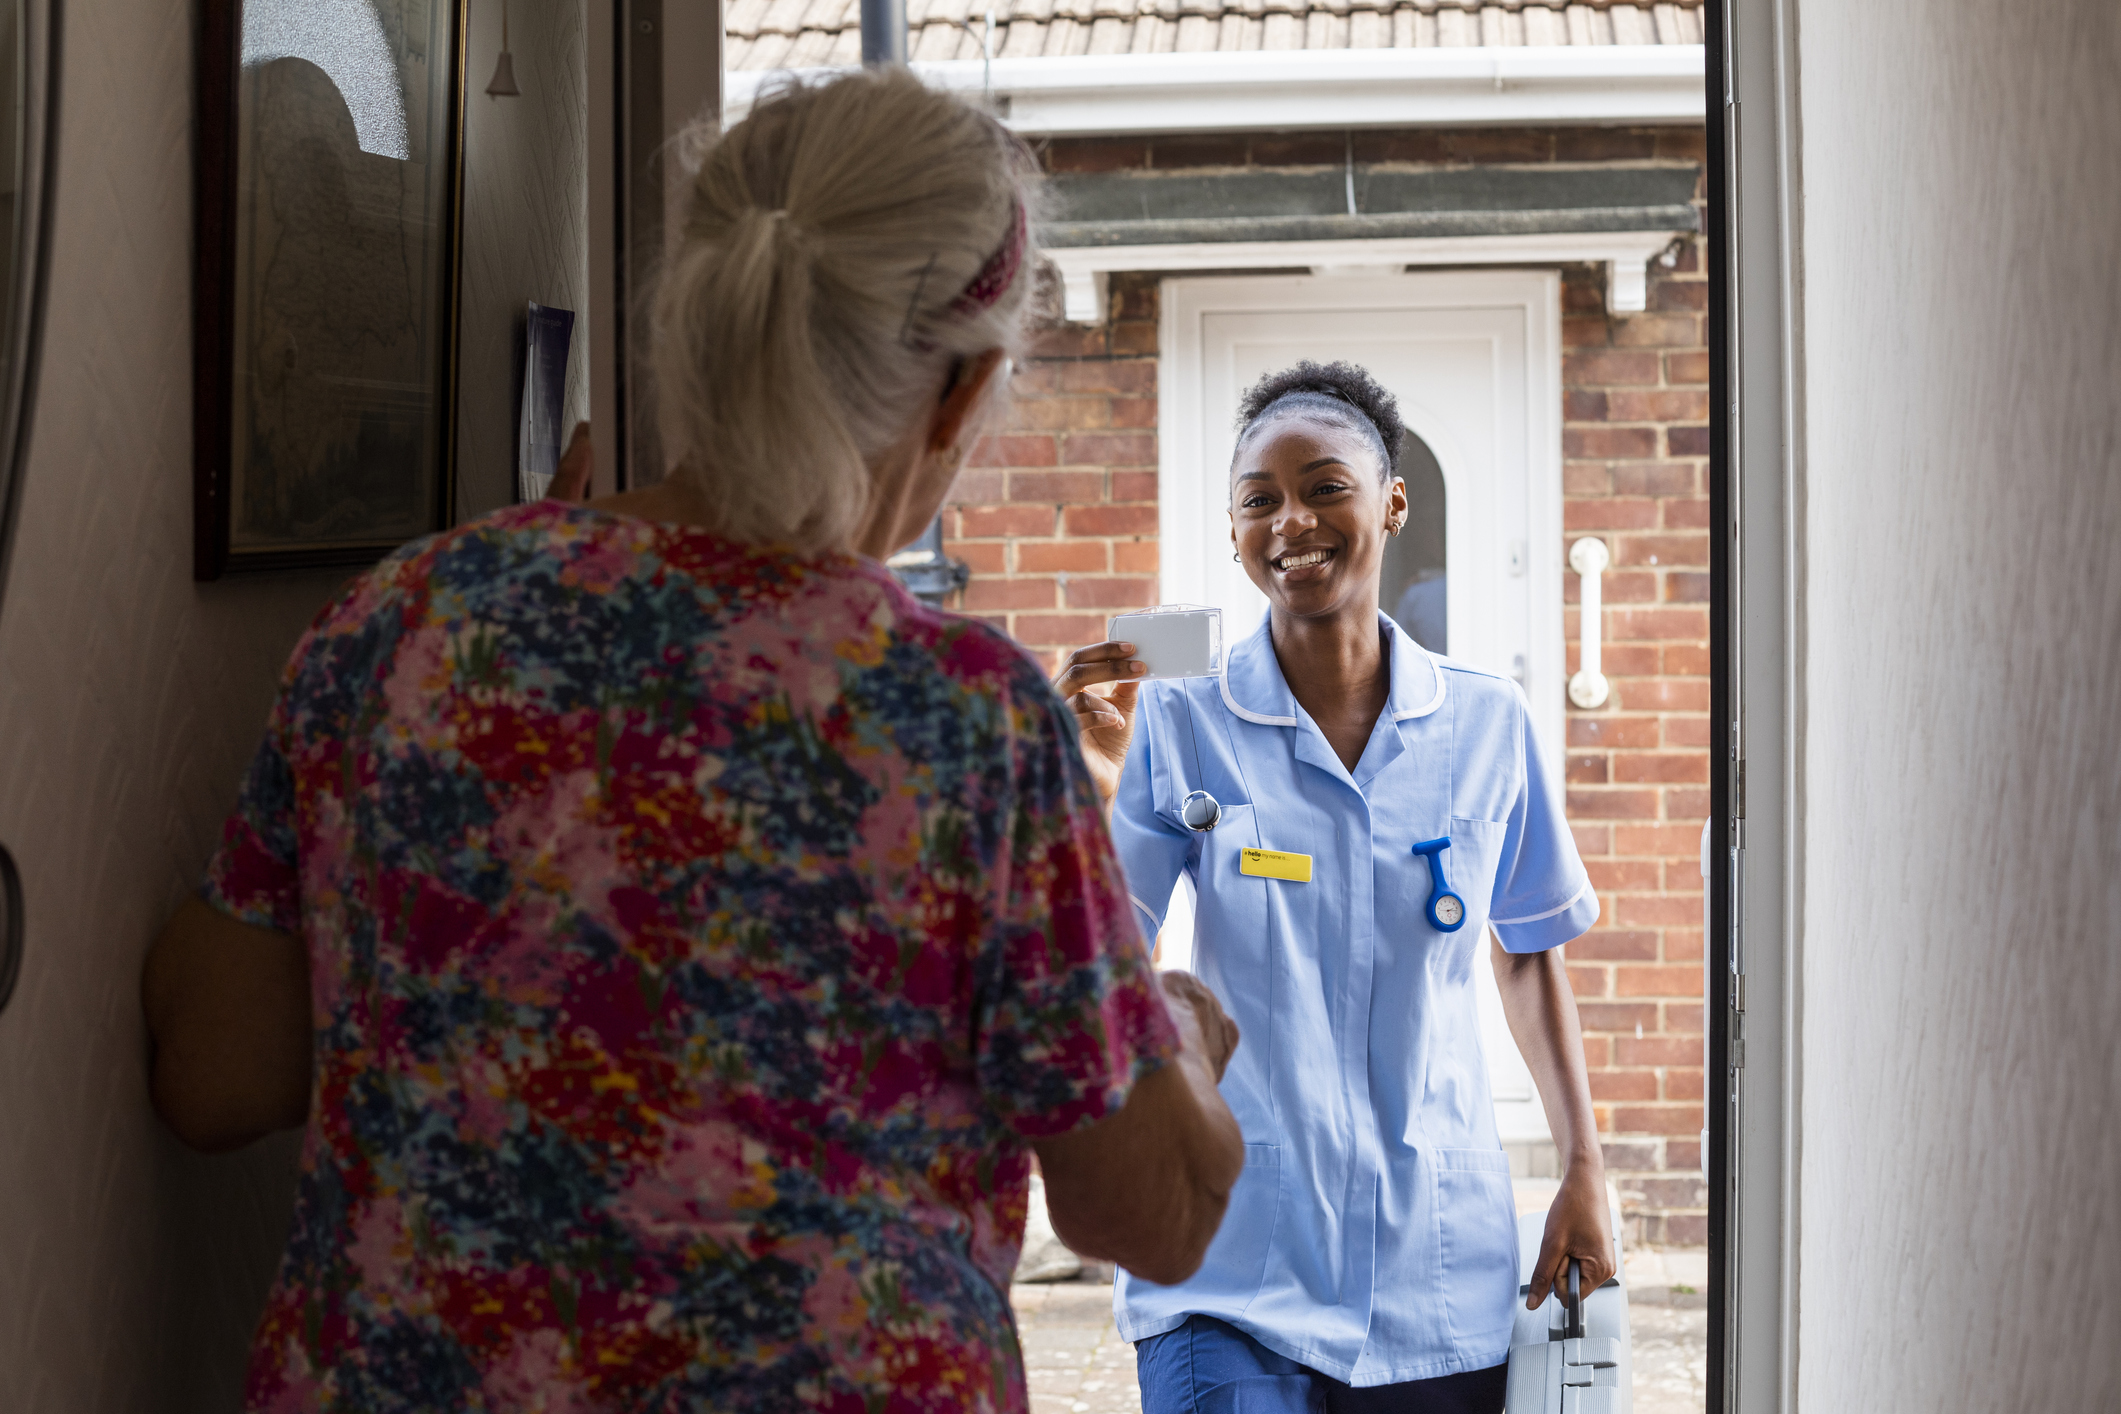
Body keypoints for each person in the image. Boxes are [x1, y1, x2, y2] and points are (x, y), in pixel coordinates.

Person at [141, 70, 1243, 1413]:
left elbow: (213, 1067)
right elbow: (1153, 1210)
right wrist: (1171, 1019)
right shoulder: (961, 717)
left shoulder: (412, 618)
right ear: (958, 396)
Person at [1054, 361, 1614, 1413]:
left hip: (1436, 1272)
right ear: (1232, 532)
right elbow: (1099, 951)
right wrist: (1080, 791)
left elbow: (1528, 954)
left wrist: (1584, 1165)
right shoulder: (1178, 723)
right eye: (1259, 499)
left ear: (1393, 503)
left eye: (1326, 487)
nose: (1291, 520)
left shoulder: (1489, 725)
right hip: (1228, 1257)